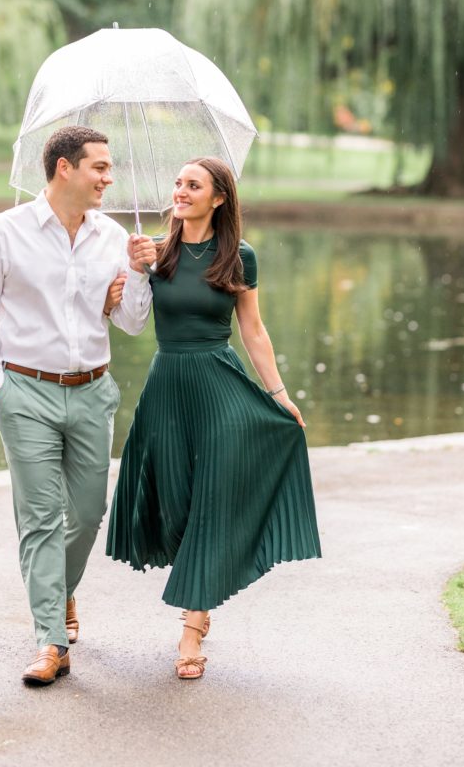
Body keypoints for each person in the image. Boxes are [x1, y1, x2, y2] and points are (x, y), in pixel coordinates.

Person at [106, 156, 321, 680]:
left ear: (218, 198)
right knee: (176, 502)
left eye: (193, 185)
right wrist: (132, 274)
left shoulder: (238, 257)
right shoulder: (154, 252)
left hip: (219, 386)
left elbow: (253, 331)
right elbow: (129, 319)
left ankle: (193, 626)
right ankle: (199, 595)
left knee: (211, 501)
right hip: (167, 389)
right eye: (177, 183)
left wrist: (279, 393)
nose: (180, 191)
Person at [0, 125, 156, 686]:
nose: (108, 178)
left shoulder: (113, 237)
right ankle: (50, 641)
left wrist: (139, 273)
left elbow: (132, 322)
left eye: (110, 167)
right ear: (64, 168)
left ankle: (60, 591)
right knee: (40, 519)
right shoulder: (3, 232)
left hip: (93, 391)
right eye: (99, 167)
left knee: (89, 514)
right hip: (25, 392)